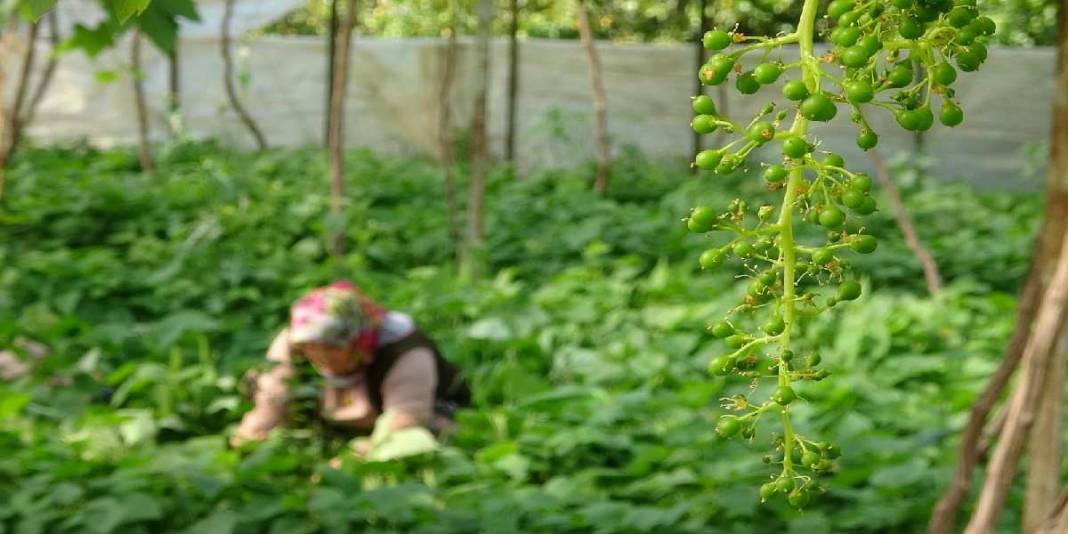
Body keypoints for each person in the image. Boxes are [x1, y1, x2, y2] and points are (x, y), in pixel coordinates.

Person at [230, 280, 470, 451]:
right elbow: (274, 391)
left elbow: (406, 418)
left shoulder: (406, 354)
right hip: (330, 410)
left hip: (403, 411)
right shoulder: (296, 341)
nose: (320, 355)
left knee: (428, 435)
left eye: (332, 347)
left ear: (358, 340)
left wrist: (363, 457)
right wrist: (256, 430)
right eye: (313, 347)